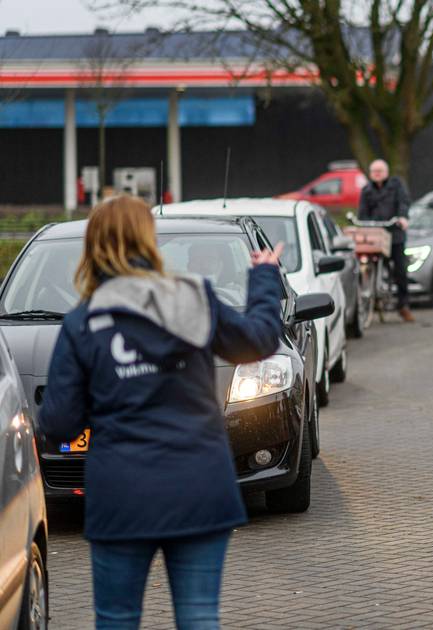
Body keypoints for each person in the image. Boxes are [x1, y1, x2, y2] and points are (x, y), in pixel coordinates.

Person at [39, 195, 285, 628]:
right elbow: (259, 341)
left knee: (117, 618)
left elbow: (59, 423)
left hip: (121, 494)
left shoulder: (84, 321)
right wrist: (264, 277)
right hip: (200, 485)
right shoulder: (193, 297)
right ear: (149, 239)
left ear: (94, 244)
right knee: (198, 616)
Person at [359, 159, 414, 322]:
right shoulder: (366, 190)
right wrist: (364, 224)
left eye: (380, 171)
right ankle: (369, 297)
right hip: (375, 235)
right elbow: (363, 212)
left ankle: (404, 305)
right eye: (374, 171)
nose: (377, 174)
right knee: (365, 263)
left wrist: (402, 218)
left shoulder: (396, 185)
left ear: (386, 172)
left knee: (400, 269)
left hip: (394, 234)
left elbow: (404, 202)